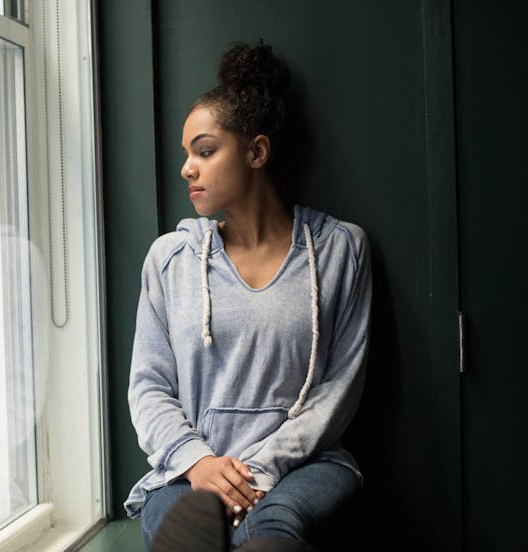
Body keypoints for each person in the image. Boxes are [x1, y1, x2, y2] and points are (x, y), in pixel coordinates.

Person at [124, 41, 372, 552]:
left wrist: (258, 471)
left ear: (257, 152)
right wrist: (200, 463)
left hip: (306, 465)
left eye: (205, 150)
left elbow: (339, 387)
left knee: (275, 527)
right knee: (183, 521)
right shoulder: (171, 259)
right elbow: (148, 386)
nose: (187, 168)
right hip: (193, 469)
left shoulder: (339, 249)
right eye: (186, 154)